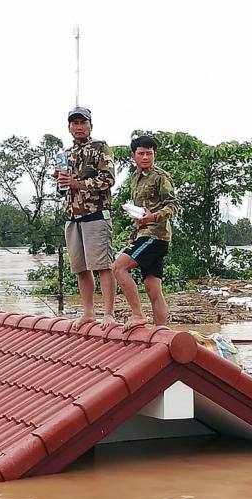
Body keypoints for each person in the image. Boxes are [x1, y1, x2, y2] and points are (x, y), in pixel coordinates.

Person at [56, 106, 116, 328]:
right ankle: (88, 312)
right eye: (75, 123)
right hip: (72, 216)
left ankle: (109, 313)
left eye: (83, 122)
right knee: (80, 267)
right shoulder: (64, 154)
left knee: (102, 265)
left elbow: (108, 180)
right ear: (69, 127)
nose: (79, 127)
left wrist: (77, 183)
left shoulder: (101, 148)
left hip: (96, 214)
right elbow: (62, 188)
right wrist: (61, 180)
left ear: (90, 125)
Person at [112, 136, 179, 331]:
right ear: (133, 156)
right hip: (143, 234)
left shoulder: (161, 176)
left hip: (155, 235)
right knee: (153, 288)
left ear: (154, 155)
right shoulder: (134, 179)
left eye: (149, 153)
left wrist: (153, 217)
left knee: (118, 267)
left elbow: (173, 205)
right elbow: (138, 212)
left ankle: (137, 315)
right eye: (141, 153)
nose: (145, 157)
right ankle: (162, 332)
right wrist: (133, 235)